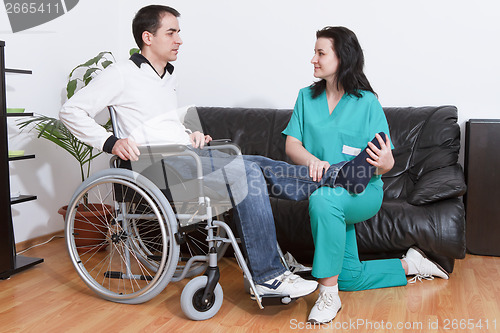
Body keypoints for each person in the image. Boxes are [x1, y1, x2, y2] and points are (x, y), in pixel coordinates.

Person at [59, 4, 321, 301]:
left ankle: (332, 180)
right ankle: (268, 277)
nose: (179, 40)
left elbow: (160, 126)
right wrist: (110, 142)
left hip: (181, 155)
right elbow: (71, 111)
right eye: (171, 33)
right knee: (245, 170)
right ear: (147, 37)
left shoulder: (168, 78)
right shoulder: (121, 74)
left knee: (256, 162)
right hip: (153, 166)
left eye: (178, 33)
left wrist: (190, 135)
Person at [281, 26, 450, 324]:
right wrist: (313, 160)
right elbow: (291, 144)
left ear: (342, 58)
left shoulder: (368, 102)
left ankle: (327, 295)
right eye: (315, 52)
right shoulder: (306, 97)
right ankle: (410, 266)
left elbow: (384, 163)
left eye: (321, 53)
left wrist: (385, 162)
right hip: (326, 189)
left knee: (324, 201)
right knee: (349, 277)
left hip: (362, 192)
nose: (313, 59)